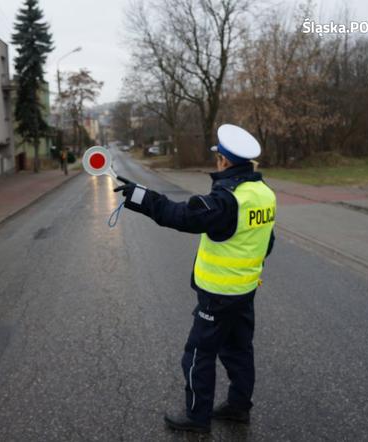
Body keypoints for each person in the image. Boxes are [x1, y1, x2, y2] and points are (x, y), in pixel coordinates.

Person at [114, 124, 276, 433]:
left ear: (224, 162)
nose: (217, 162)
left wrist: (142, 198)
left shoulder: (227, 199)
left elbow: (183, 216)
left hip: (217, 294)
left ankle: (196, 417)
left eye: (218, 158)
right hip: (245, 290)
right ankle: (239, 407)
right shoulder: (264, 193)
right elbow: (267, 242)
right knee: (239, 350)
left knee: (199, 353)